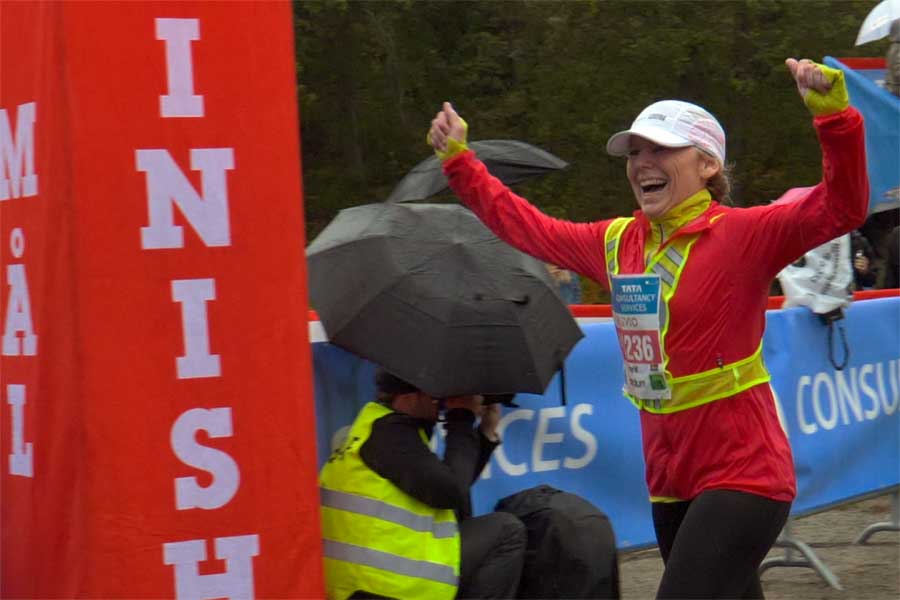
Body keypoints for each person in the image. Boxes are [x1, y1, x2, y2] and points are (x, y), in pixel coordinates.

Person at [427, 57, 868, 599]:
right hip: (668, 474)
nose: (642, 162)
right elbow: (529, 228)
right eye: (635, 152)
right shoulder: (616, 242)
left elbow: (843, 208)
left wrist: (835, 119)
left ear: (707, 165)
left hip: (744, 469)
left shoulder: (744, 234)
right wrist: (460, 163)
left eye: (660, 148)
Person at [319, 369, 526, 600]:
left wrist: (485, 434)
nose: (441, 405)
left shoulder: (376, 427)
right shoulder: (391, 437)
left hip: (366, 581)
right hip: (386, 586)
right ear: (409, 396)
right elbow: (452, 491)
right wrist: (461, 417)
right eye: (436, 397)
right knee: (507, 530)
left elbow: (450, 488)